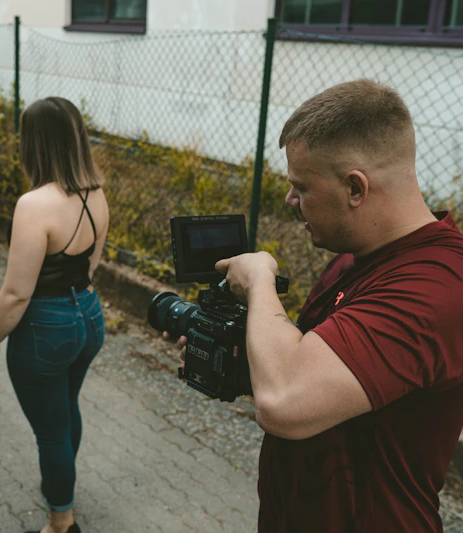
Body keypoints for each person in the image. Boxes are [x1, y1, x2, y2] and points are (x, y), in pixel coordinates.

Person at [172, 79, 463, 531]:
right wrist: (232, 354)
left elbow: (286, 401)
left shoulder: (437, 287)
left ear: (355, 188)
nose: (290, 200)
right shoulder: (354, 254)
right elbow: (320, 370)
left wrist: (260, 281)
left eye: (300, 187)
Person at [0, 97, 109, 533]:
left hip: (46, 329)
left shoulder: (34, 204)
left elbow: (17, 293)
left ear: (33, 143)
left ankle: (61, 521)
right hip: (89, 316)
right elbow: (91, 267)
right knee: (65, 409)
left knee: (51, 432)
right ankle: (61, 483)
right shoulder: (96, 193)